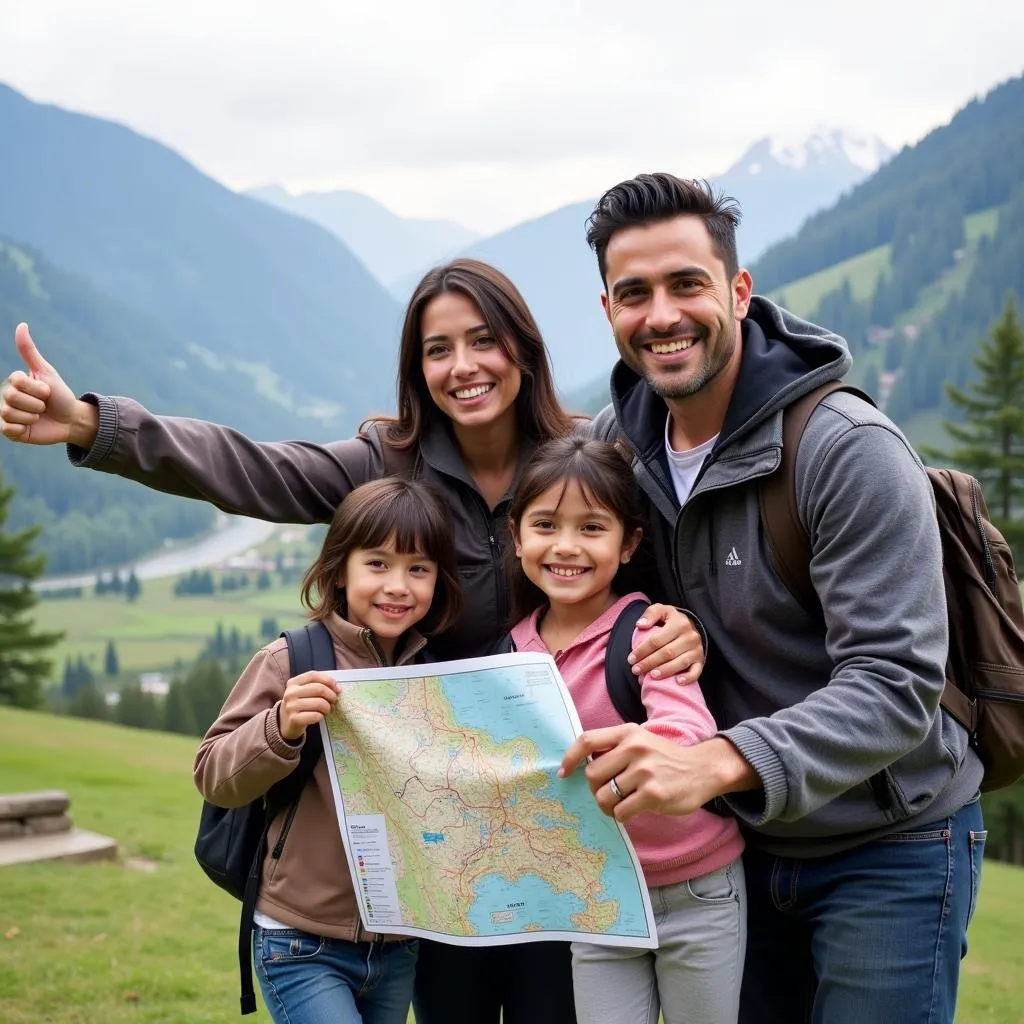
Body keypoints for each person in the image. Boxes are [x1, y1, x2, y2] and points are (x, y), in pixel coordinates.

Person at [0, 258, 704, 1024]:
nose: (463, 367)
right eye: (438, 350)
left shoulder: (587, 455)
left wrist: (682, 621)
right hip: (444, 838)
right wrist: (95, 426)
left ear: (524, 350)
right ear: (417, 367)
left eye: (483, 341)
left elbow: (659, 555)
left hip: (562, 831)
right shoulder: (386, 460)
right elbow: (253, 469)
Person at [557, 174, 985, 1024]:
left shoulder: (846, 451)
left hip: (889, 841)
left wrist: (714, 763)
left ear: (739, 291)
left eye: (688, 284)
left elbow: (896, 683)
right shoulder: (616, 451)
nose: (663, 314)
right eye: (635, 293)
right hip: (739, 846)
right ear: (607, 308)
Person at [195, 476, 462, 1024]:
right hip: (298, 941)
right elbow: (213, 774)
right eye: (378, 564)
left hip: (397, 946)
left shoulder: (432, 674)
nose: (398, 585)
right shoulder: (290, 660)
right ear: (341, 569)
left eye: (419, 568)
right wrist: (280, 726)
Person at [507, 436, 746, 1024]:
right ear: (517, 538)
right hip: (600, 897)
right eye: (544, 524)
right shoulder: (510, 655)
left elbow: (688, 729)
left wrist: (646, 753)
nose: (566, 546)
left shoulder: (646, 635)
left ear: (629, 542)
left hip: (698, 890)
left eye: (592, 527)